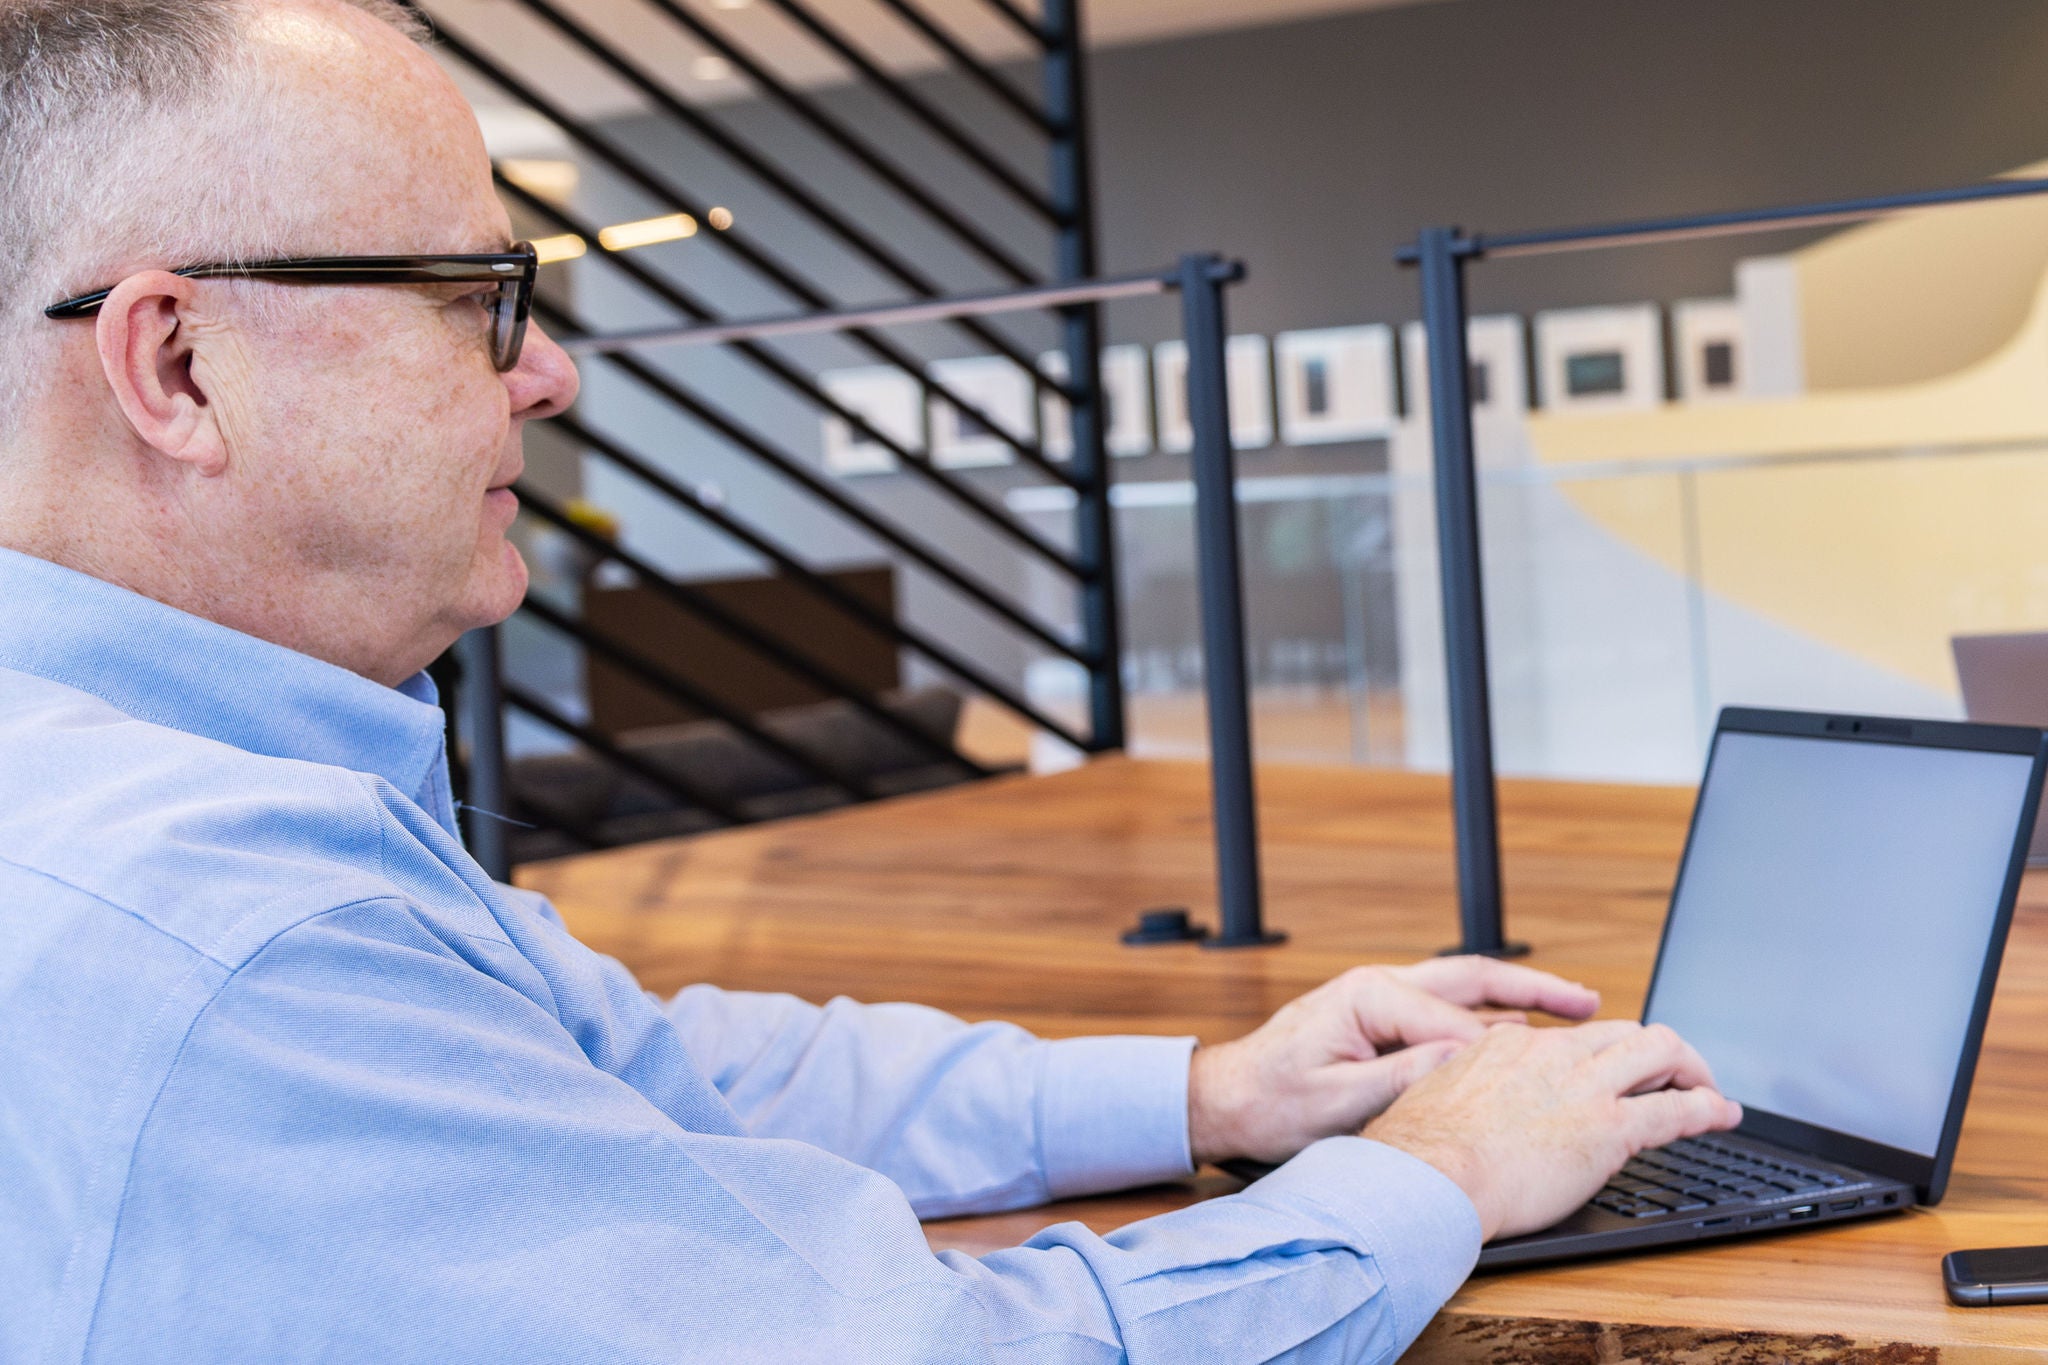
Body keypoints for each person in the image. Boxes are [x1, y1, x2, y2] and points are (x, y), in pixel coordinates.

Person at [0, 1, 1741, 1359]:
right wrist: (1431, 1172)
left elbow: (642, 1077)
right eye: (483, 295)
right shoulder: (234, 928)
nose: (554, 375)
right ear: (177, 362)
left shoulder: (172, 796)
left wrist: (1211, 1097)